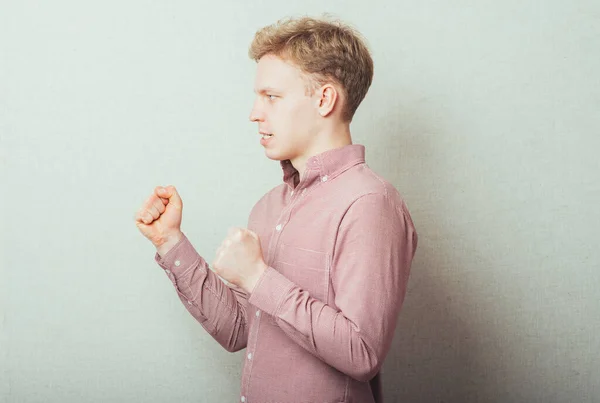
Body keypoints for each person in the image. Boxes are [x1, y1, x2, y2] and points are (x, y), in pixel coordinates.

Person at [134, 16, 417, 403]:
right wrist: (170, 241)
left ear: (324, 99)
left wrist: (257, 275)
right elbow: (239, 331)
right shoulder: (269, 206)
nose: (254, 113)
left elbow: (362, 351)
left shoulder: (371, 204)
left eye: (272, 96)